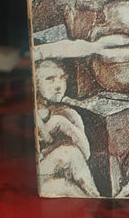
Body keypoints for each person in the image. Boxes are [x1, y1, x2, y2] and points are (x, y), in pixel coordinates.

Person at [35, 60, 100, 198]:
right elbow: (45, 139)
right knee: (70, 154)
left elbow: (86, 154)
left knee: (67, 186)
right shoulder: (36, 112)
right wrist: (58, 123)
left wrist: (67, 124)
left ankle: (96, 199)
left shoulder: (67, 113)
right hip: (35, 174)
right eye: (50, 79)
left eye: (62, 78)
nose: (58, 85)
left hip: (52, 174)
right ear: (35, 84)